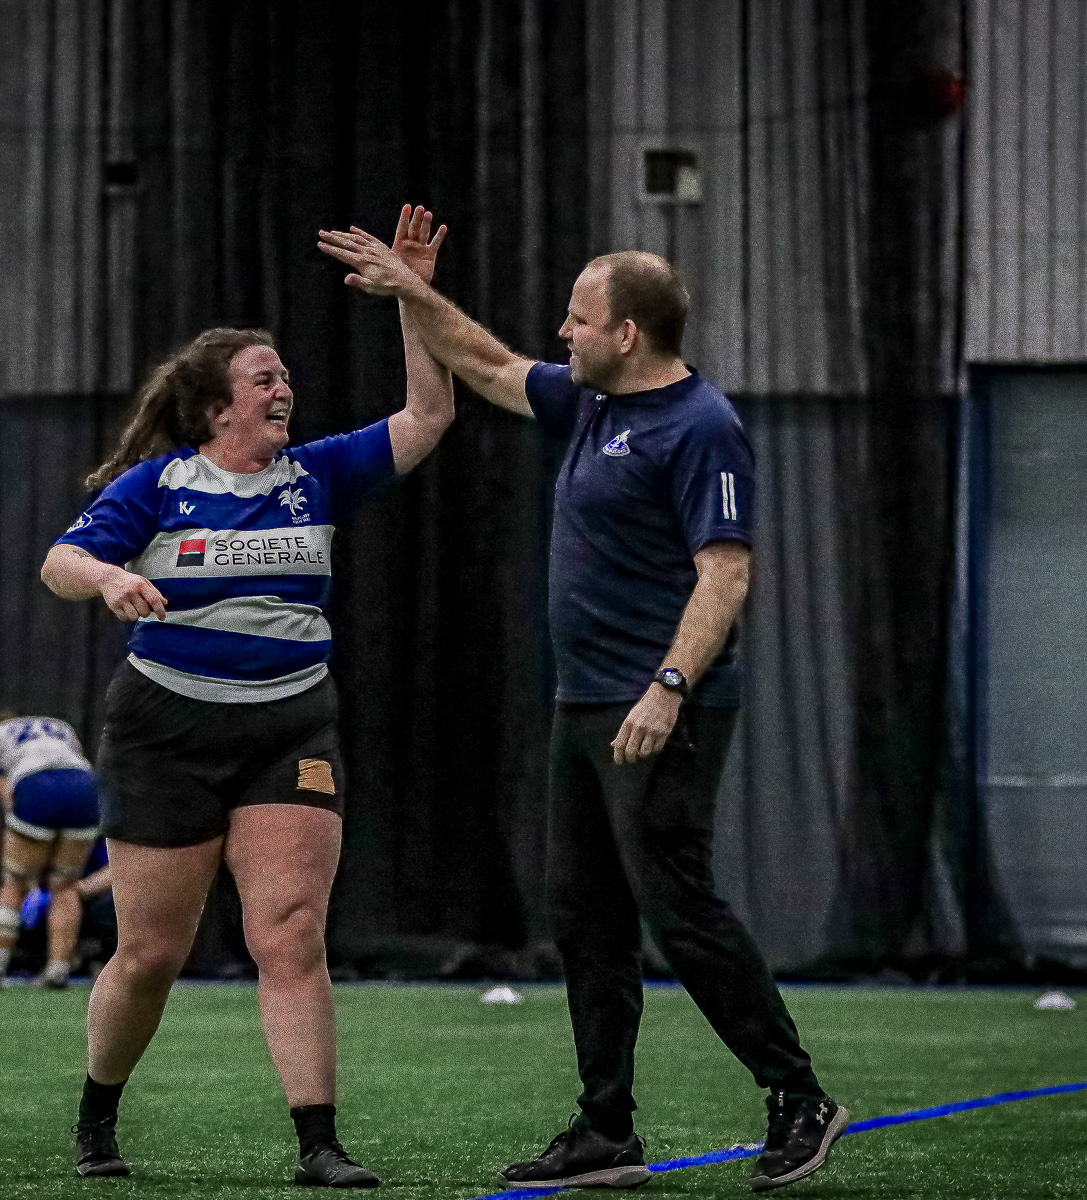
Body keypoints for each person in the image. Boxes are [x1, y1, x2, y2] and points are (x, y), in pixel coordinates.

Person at [317, 226, 848, 1192]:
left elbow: (725, 576)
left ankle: (799, 1098)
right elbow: (482, 362)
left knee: (677, 909)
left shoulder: (702, 426)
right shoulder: (590, 404)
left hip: (660, 710)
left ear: (630, 333)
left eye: (579, 317)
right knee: (587, 920)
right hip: (584, 707)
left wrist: (668, 687)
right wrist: (411, 291)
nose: (562, 330)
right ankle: (607, 1131)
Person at [40, 208, 453, 1187]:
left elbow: (429, 417)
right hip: (164, 729)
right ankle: (99, 1114)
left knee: (291, 930)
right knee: (150, 953)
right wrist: (107, 582)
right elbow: (60, 559)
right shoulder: (156, 485)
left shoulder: (317, 475)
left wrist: (412, 298)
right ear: (218, 405)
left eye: (285, 377)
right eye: (265, 378)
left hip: (288, 722)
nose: (285, 390)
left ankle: (319, 1144)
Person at [0, 713, 113, 989]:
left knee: (14, 883)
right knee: (65, 886)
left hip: (35, 785)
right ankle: (58, 970)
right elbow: (74, 764)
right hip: (84, 787)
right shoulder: (61, 726)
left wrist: (17, 838)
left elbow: (5, 795)